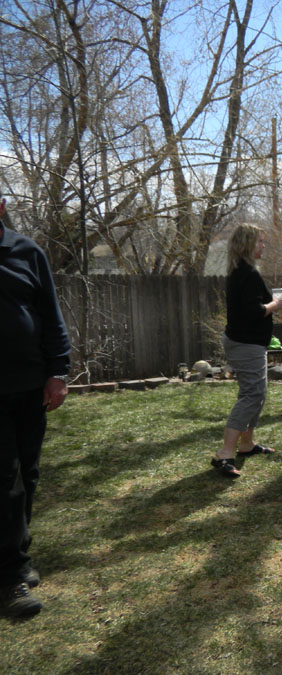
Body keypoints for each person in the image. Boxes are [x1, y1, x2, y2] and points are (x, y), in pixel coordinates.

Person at [0, 196, 71, 618]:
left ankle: (17, 550)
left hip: (29, 385)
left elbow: (50, 315)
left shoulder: (27, 252)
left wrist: (58, 372)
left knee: (27, 473)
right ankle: (11, 576)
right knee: (5, 478)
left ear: (1, 205)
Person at [211, 224, 282, 478]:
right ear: (247, 244)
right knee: (251, 395)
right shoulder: (248, 274)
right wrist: (275, 304)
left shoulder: (240, 272)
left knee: (257, 393)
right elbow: (254, 312)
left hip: (248, 343)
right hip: (245, 344)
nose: (263, 246)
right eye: (259, 241)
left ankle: (246, 444)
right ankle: (225, 452)